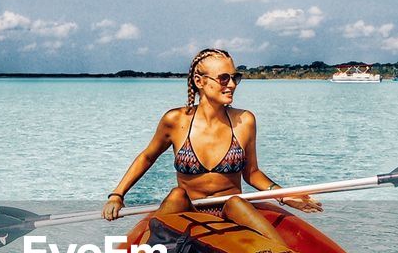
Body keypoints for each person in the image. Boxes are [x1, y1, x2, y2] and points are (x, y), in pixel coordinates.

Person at [102, 48, 320, 240]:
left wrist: (285, 196)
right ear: (200, 81)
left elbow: (252, 173)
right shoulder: (175, 121)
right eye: (224, 78)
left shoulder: (245, 121)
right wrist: (117, 195)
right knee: (176, 195)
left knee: (236, 202)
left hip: (231, 210)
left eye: (235, 77)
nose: (232, 85)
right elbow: (147, 157)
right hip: (188, 209)